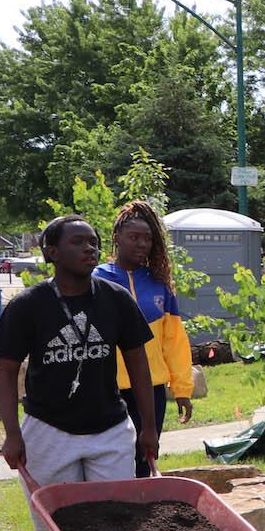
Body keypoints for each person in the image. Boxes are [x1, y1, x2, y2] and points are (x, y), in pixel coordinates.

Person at [0, 215, 158, 531]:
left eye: (95, 242)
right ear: (51, 251)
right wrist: (12, 434)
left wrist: (148, 428)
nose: (90, 249)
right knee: (56, 529)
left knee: (114, 521)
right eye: (79, 242)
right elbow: (5, 373)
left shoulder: (116, 299)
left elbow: (139, 365)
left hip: (108, 429)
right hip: (49, 431)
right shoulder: (28, 306)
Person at [94, 200, 193, 476]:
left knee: (144, 458)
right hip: (110, 390)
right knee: (112, 461)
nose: (142, 244)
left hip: (153, 389)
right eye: (134, 237)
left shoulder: (160, 283)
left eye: (147, 239)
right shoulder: (97, 279)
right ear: (117, 238)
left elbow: (174, 341)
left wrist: (182, 389)